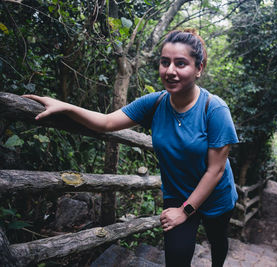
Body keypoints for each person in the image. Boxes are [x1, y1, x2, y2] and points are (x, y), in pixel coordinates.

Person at [24, 28, 239, 267]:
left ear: (198, 69)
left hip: (216, 195)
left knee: (218, 243)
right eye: (165, 62)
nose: (170, 71)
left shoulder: (215, 109)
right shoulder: (155, 103)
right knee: (176, 259)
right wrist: (66, 107)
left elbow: (215, 170)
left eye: (181, 64)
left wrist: (186, 211)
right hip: (177, 193)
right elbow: (106, 122)